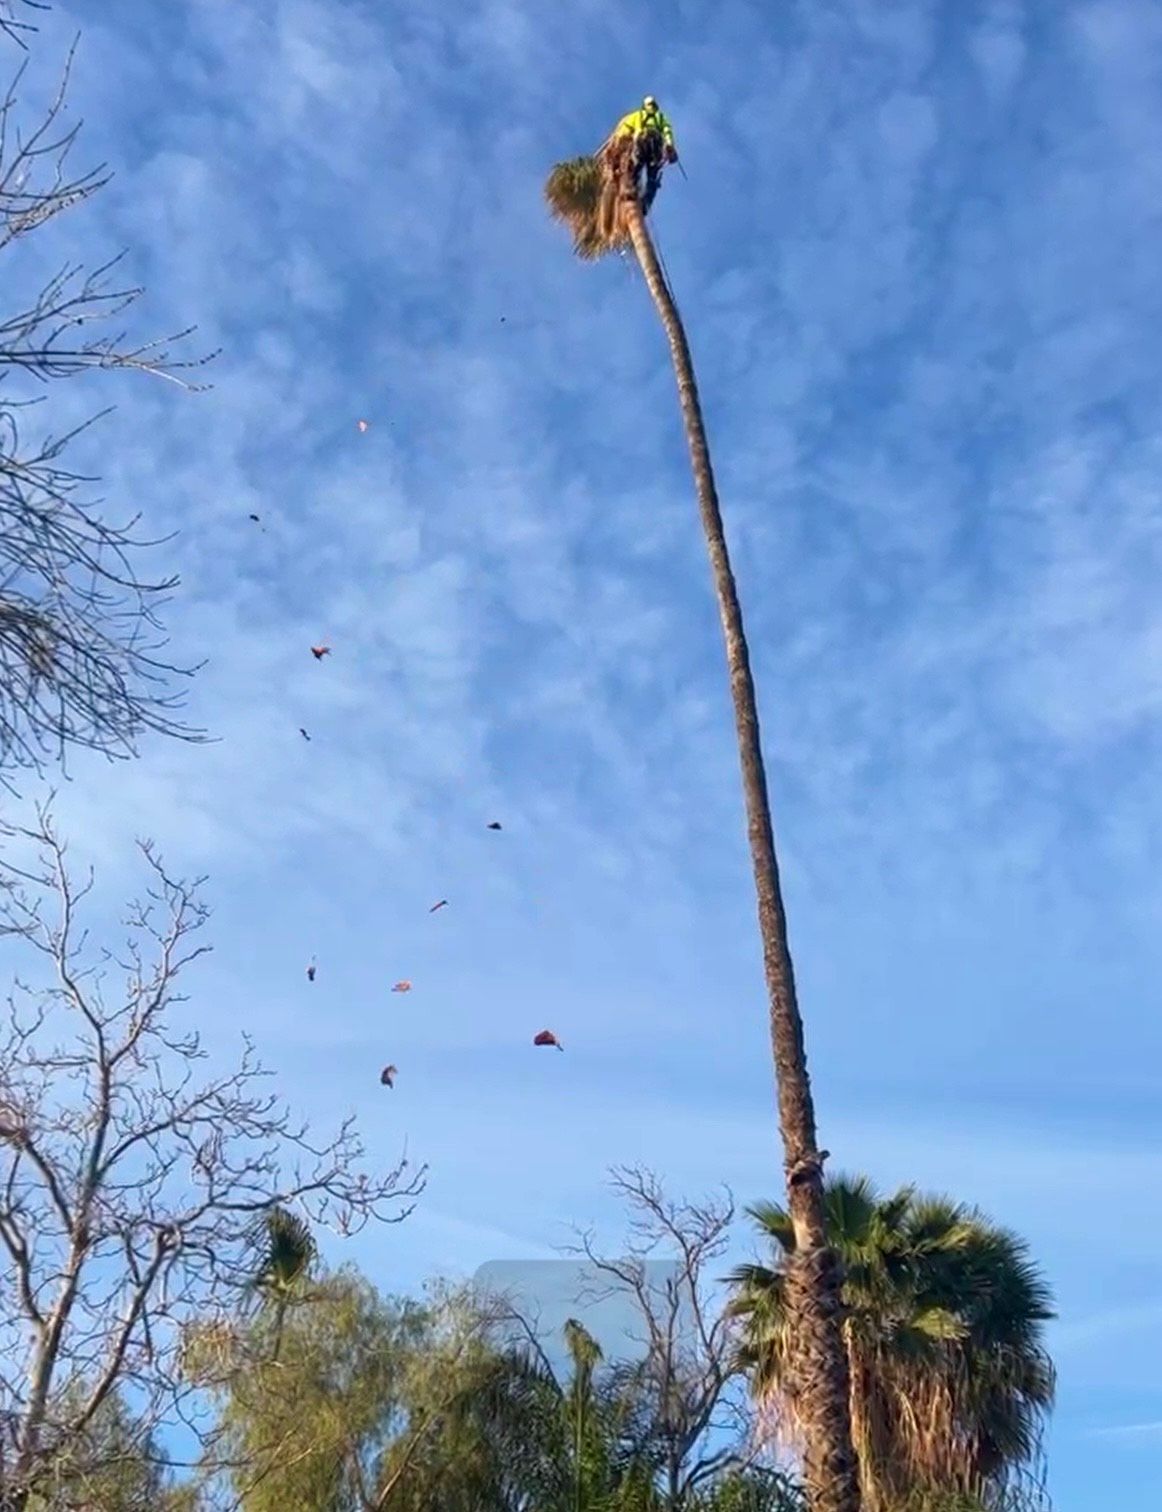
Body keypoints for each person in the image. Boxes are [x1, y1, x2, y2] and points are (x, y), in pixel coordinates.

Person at [609, 96, 678, 213]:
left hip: (642, 142)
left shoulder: (637, 115)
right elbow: (667, 131)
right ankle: (645, 203)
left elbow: (625, 129)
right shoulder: (660, 117)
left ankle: (631, 191)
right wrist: (670, 146)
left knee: (636, 167)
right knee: (652, 176)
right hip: (655, 146)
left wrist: (618, 140)